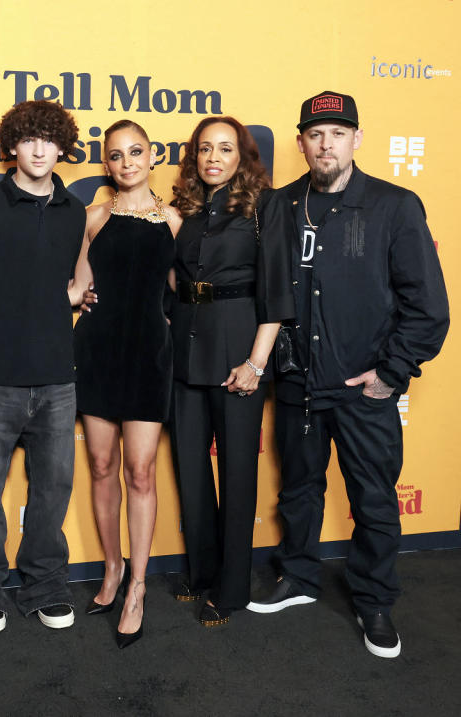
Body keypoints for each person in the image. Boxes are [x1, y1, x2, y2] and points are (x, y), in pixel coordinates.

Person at [247, 91, 449, 659]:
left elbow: (428, 306)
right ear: (302, 142)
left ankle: (375, 600)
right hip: (297, 385)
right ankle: (298, 577)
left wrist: (392, 372)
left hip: (364, 390)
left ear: (356, 140)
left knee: (375, 499)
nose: (326, 143)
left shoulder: (394, 205)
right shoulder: (279, 205)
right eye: (315, 134)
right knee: (300, 491)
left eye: (338, 133)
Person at [0, 100, 86, 635]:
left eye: (48, 140)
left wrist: (78, 295)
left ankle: (45, 585)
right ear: (12, 145)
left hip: (57, 376)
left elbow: (71, 280)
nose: (38, 149)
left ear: (61, 147)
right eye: (28, 139)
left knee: (52, 492)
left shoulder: (74, 210)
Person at [166, 116, 294, 628]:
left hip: (240, 345)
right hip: (185, 342)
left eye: (224, 148)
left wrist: (256, 362)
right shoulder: (186, 210)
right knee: (190, 471)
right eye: (204, 149)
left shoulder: (267, 206)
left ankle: (232, 587)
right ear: (194, 157)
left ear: (243, 155)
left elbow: (278, 291)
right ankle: (202, 572)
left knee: (237, 472)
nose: (213, 157)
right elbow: (172, 277)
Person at [69, 120, 182, 648]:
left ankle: (137, 585)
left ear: (152, 156)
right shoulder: (92, 219)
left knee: (140, 471)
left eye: (136, 152)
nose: (127, 162)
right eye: (116, 156)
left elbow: (182, 296)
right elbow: (77, 287)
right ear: (107, 163)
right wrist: (78, 297)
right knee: (100, 466)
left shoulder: (176, 222)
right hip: (96, 351)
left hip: (148, 357)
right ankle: (112, 567)